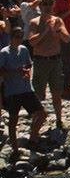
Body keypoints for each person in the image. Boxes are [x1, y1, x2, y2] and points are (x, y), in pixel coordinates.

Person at [0, 25, 47, 156]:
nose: (19, 39)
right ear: (11, 38)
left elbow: (28, 64)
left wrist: (27, 71)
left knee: (42, 114)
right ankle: (15, 149)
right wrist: (16, 71)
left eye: (21, 37)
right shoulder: (4, 53)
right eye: (17, 37)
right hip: (12, 91)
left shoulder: (24, 49)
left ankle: (32, 138)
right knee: (13, 119)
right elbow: (1, 72)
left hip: (26, 89)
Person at [27, 0, 70, 131]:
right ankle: (36, 121)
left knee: (57, 92)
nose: (47, 7)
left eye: (50, 3)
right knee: (39, 94)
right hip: (41, 62)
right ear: (40, 6)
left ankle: (59, 119)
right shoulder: (34, 22)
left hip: (55, 61)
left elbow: (67, 39)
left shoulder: (57, 21)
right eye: (44, 4)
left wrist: (58, 31)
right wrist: (45, 30)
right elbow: (32, 41)